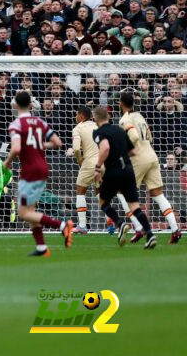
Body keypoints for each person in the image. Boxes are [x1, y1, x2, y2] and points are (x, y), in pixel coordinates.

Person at [3, 91, 73, 257]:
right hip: (42, 167)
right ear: (31, 105)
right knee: (31, 210)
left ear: (14, 105)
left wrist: (7, 162)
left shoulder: (16, 125)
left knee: (24, 213)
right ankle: (42, 247)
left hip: (29, 171)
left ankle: (63, 226)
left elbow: (16, 148)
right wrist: (40, 145)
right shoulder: (40, 122)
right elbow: (58, 143)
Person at [118, 92, 181, 243]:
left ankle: (139, 228)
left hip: (139, 158)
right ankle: (175, 230)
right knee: (158, 194)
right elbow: (150, 136)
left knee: (121, 191)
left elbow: (133, 137)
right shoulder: (140, 116)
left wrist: (125, 152)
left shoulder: (125, 119)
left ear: (120, 104)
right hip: (152, 156)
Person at [92, 106, 157, 249]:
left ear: (95, 118)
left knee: (103, 201)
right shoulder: (120, 130)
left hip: (113, 171)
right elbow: (133, 151)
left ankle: (120, 223)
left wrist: (97, 167)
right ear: (108, 117)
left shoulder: (98, 132)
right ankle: (150, 234)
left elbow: (105, 148)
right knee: (134, 206)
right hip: (128, 170)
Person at [71, 106, 99, 234]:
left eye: (77, 115)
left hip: (89, 163)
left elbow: (76, 148)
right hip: (103, 162)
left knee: (80, 191)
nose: (76, 117)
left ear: (81, 116)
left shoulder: (78, 128)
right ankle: (111, 221)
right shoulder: (97, 125)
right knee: (100, 193)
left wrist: (78, 159)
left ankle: (82, 225)